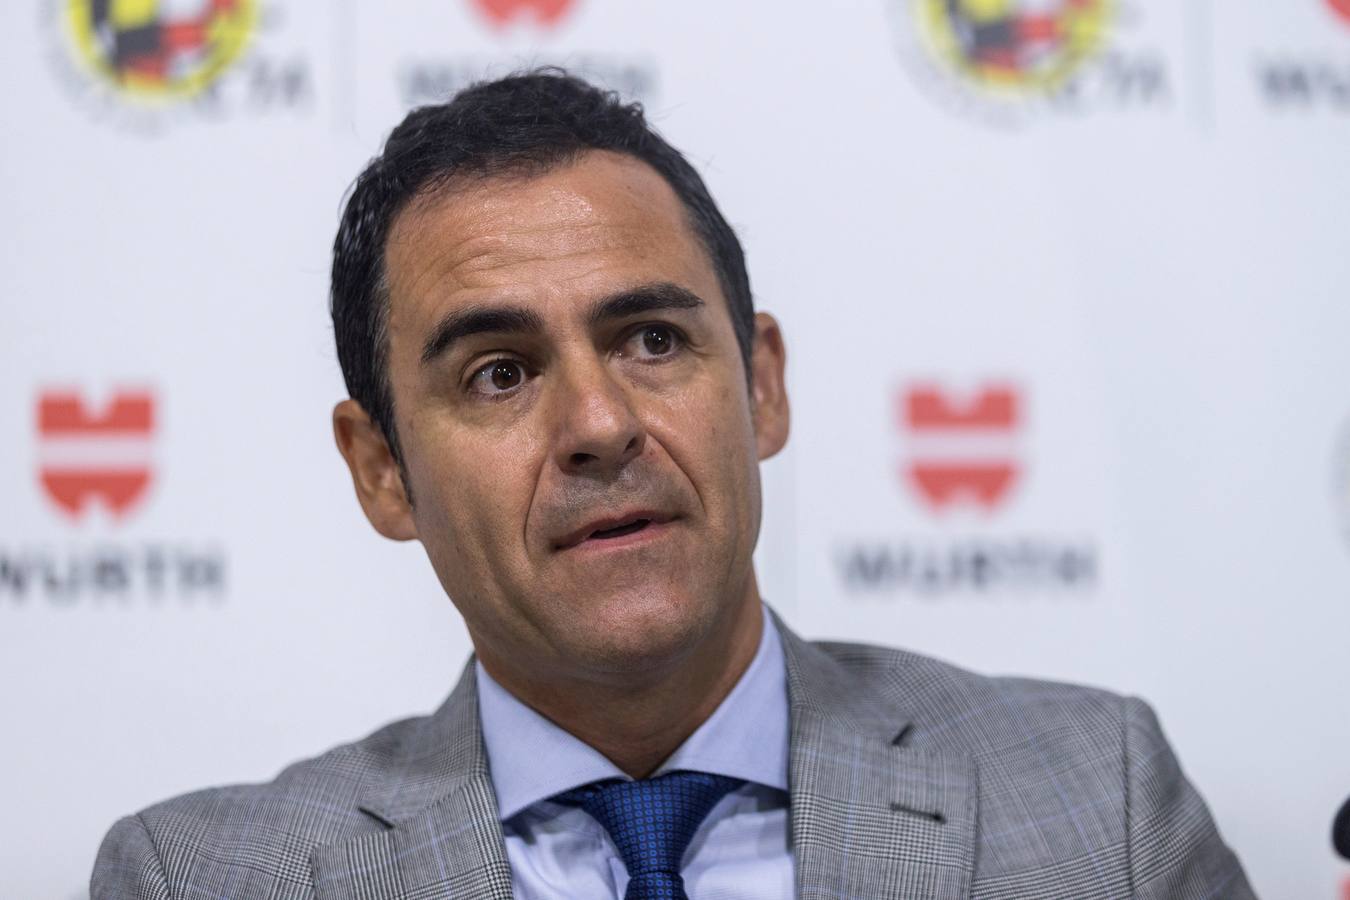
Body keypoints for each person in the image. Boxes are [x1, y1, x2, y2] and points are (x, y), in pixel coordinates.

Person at [91, 70, 1255, 900]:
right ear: (383, 471)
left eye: (651, 341)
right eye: (499, 373)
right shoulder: (201, 879)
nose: (600, 426)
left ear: (762, 385)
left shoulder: (1095, 806)